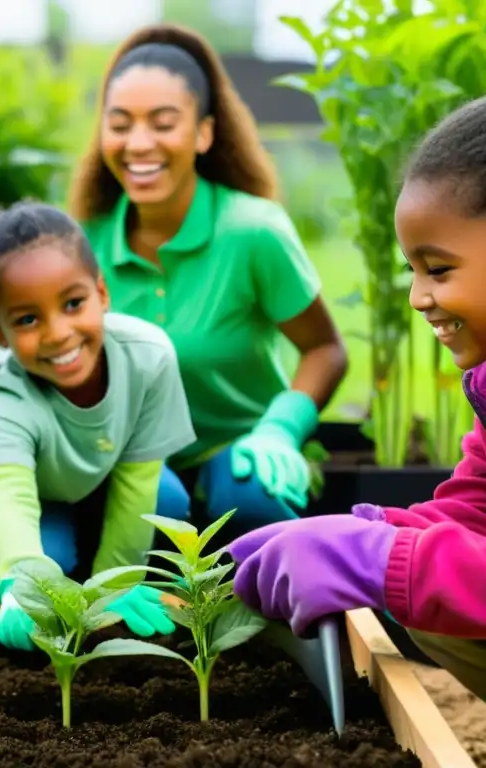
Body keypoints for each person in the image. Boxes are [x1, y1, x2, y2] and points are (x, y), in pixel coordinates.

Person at [227, 88, 486, 768]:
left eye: (439, 270)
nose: (419, 296)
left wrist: (371, 560)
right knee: (427, 600)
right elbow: (479, 511)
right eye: (413, 270)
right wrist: (364, 534)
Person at [67, 24, 348, 545]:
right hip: (133, 458)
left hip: (243, 450)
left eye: (164, 123)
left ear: (203, 133)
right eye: (120, 124)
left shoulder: (253, 231)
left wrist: (279, 430)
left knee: (247, 496)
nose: (139, 143)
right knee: (148, 510)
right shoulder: (83, 246)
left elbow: (325, 349)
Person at [0, 201, 195, 652]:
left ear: (101, 293)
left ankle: (85, 586)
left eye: (73, 303)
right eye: (27, 319)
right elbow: (9, 491)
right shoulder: (4, 387)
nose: (58, 333)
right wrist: (23, 582)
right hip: (39, 498)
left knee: (167, 498)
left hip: (103, 487)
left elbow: (138, 483)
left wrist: (111, 589)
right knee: (18, 546)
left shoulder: (148, 357)